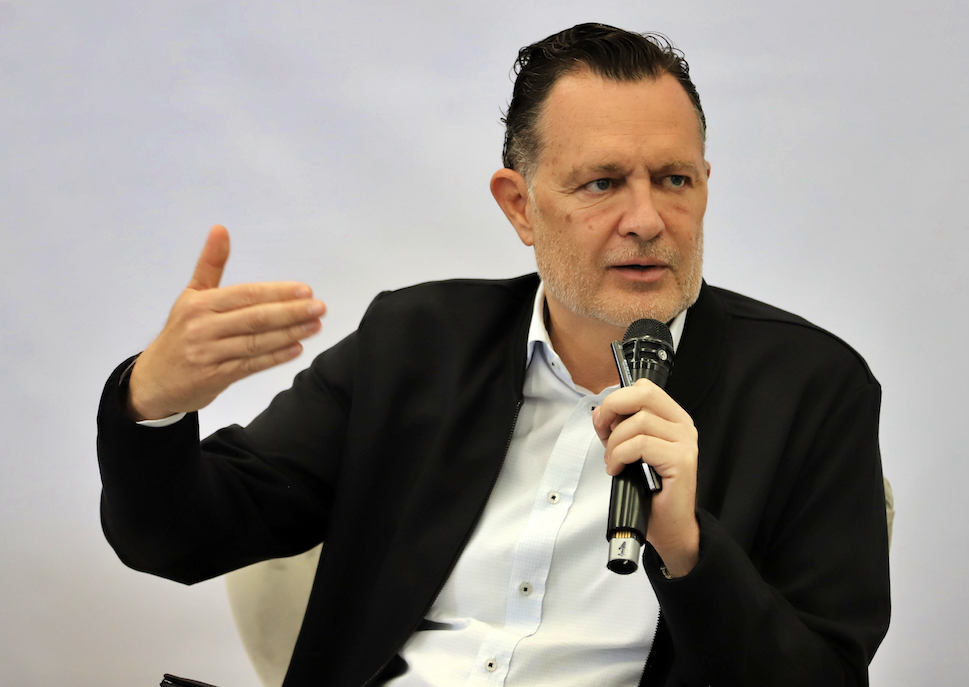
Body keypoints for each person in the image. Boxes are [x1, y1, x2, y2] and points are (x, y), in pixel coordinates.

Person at [97, 23, 890, 686]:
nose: (647, 219)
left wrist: (689, 551)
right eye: (603, 183)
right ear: (520, 206)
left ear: (705, 187)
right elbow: (178, 537)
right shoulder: (416, 341)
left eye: (673, 179)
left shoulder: (813, 389)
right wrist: (152, 402)